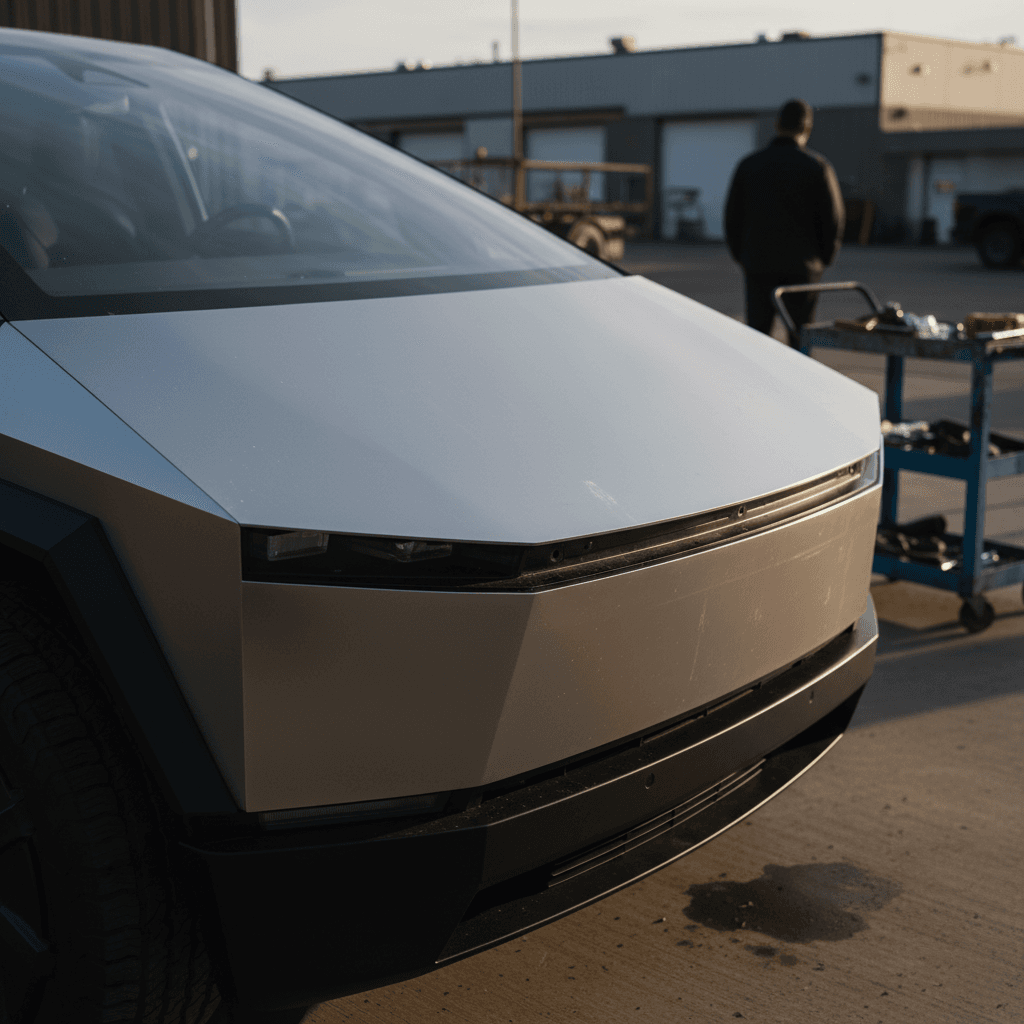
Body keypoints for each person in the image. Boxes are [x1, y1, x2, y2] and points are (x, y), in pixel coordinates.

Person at [724, 98, 845, 347]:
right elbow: (834, 220)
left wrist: (744, 257)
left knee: (757, 339)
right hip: (802, 269)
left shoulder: (749, 166)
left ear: (777, 125)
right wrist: (822, 260)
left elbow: (732, 218)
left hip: (758, 265)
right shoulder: (817, 167)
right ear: (807, 129)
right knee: (800, 338)